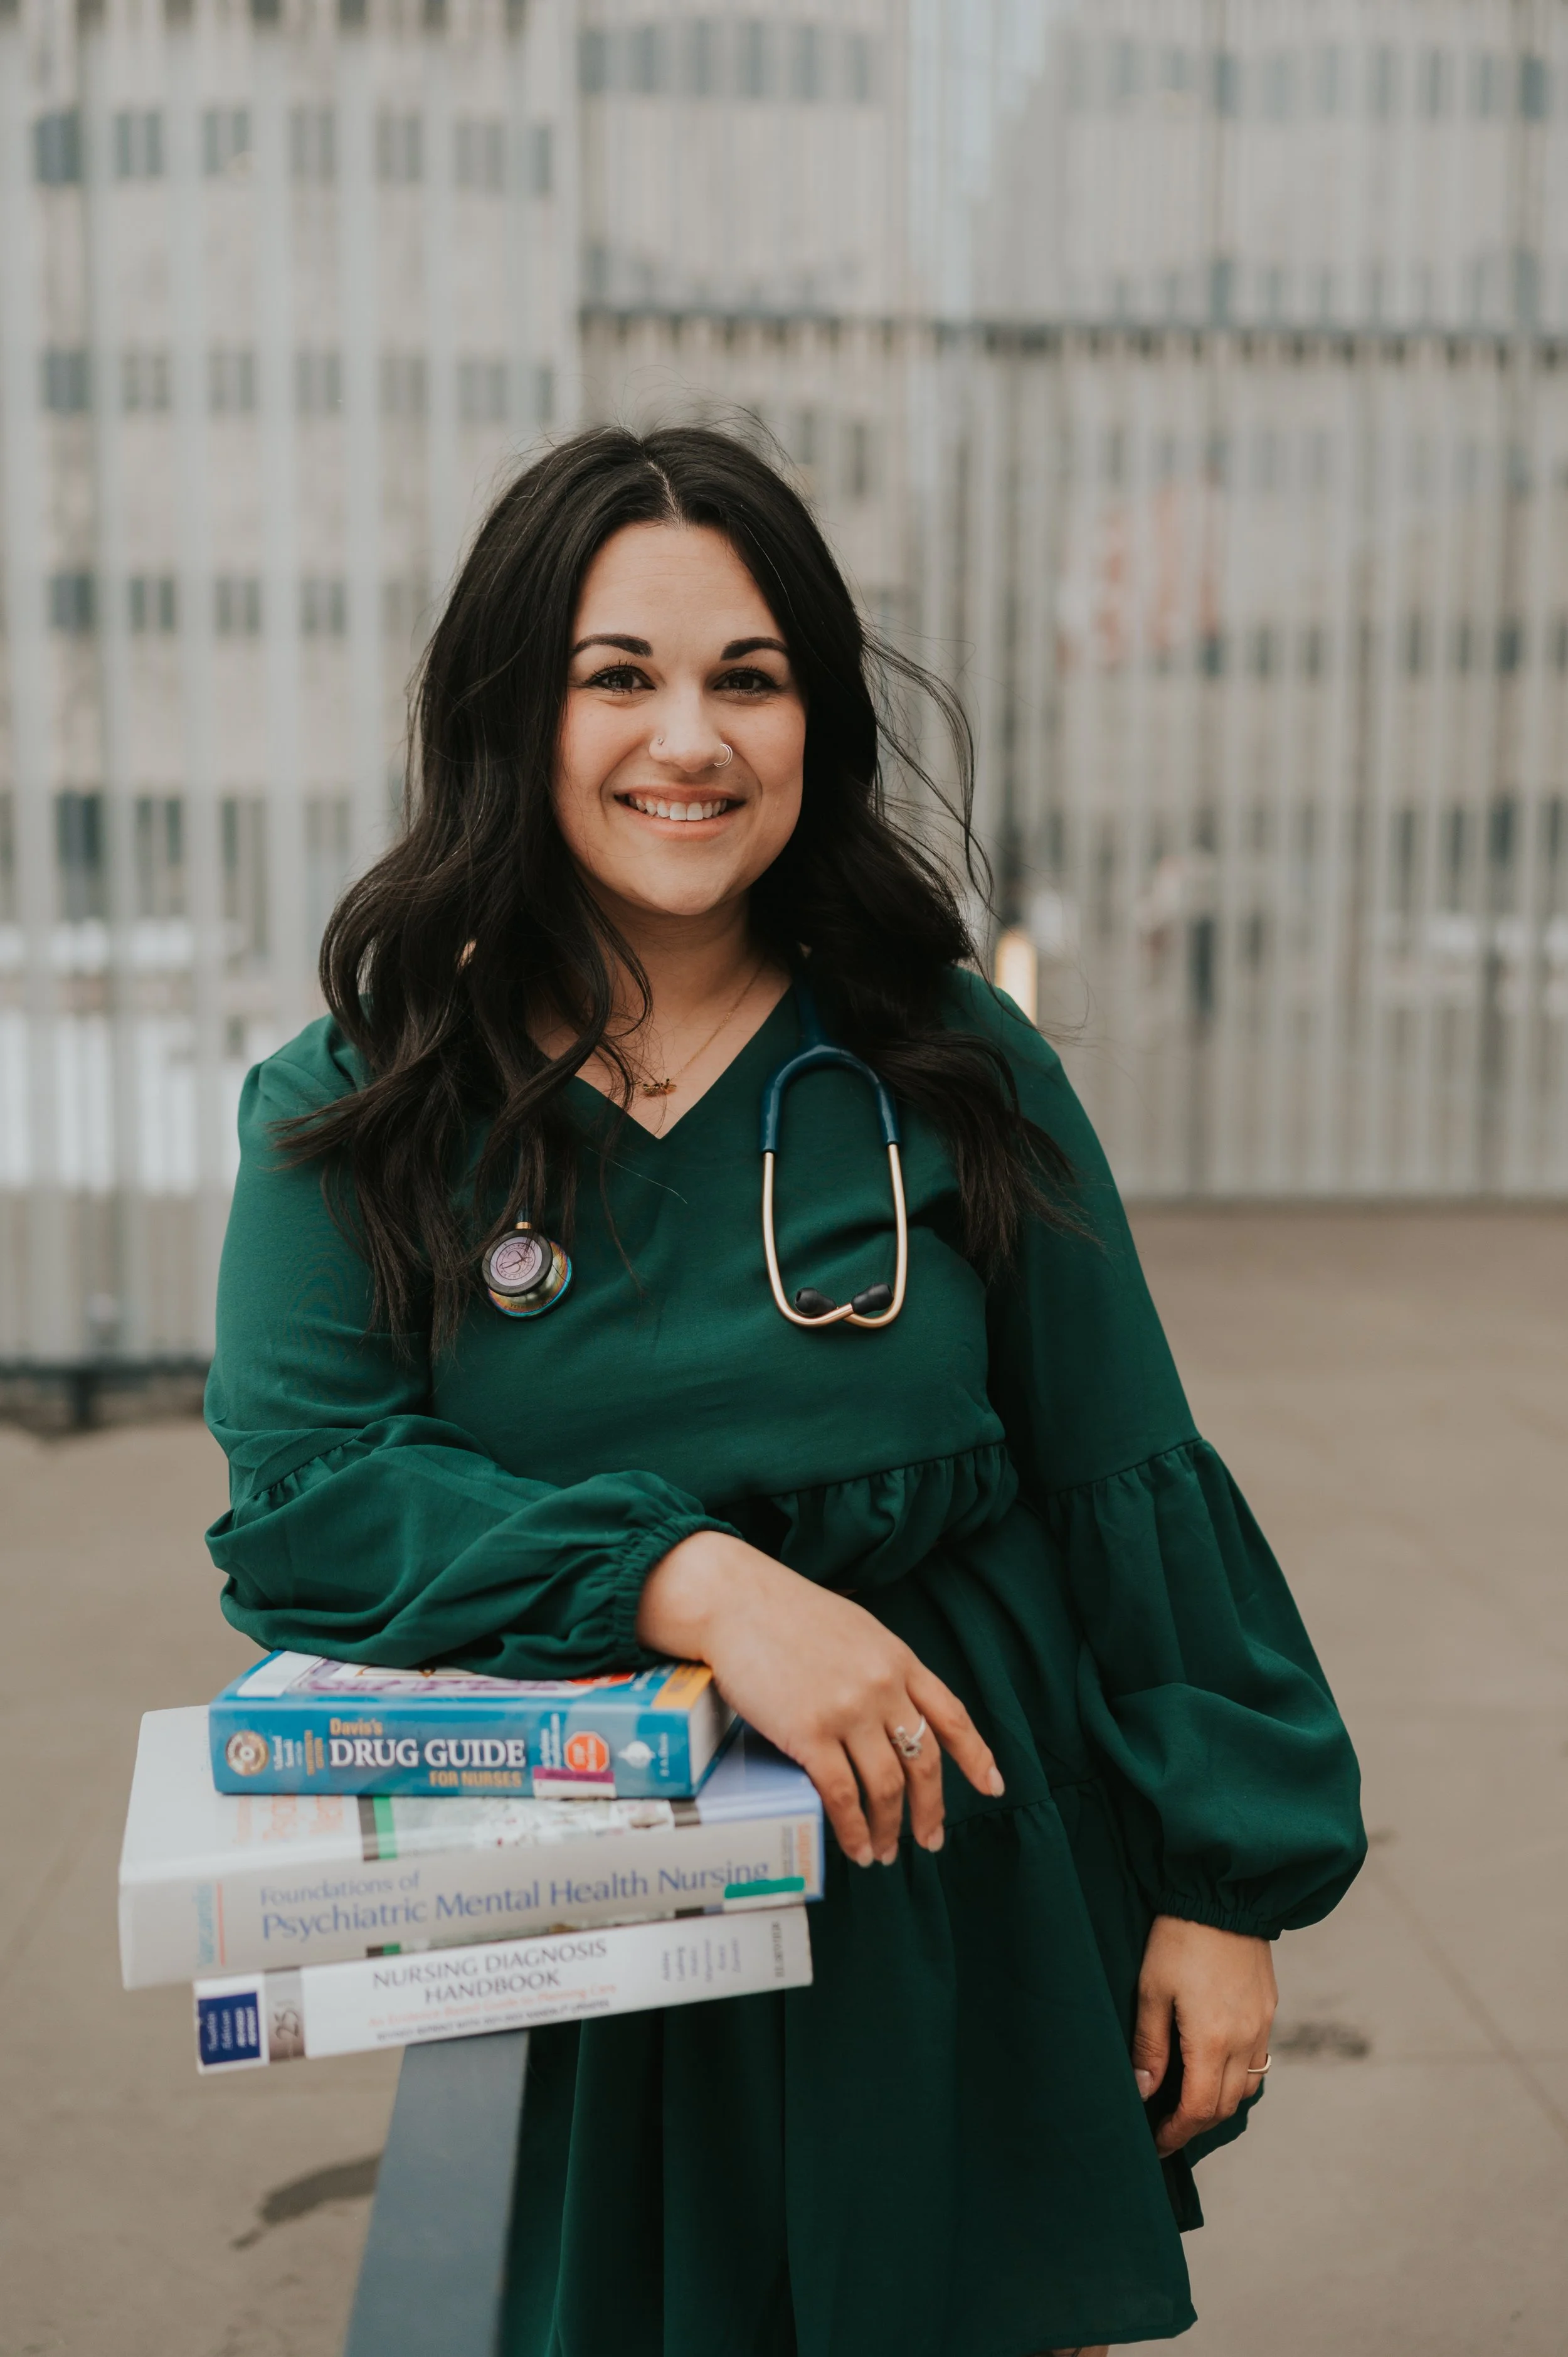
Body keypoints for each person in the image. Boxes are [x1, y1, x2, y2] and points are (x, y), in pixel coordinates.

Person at [204, 424, 1365, 2357]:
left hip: (961, 1901)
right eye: (618, 676)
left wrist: (1222, 1887)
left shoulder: (953, 1062)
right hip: (599, 1933)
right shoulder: (359, 1104)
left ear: (815, 715)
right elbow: (309, 1498)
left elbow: (1124, 1468)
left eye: (748, 678)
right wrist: (708, 1588)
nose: (692, 739)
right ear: (512, 711)